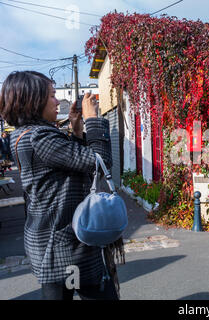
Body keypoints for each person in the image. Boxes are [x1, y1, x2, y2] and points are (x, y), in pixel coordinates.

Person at [0, 71, 124, 300]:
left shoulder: (24, 134)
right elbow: (100, 163)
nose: (58, 102)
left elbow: (70, 166)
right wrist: (93, 120)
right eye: (52, 95)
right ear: (33, 100)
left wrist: (77, 131)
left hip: (48, 243)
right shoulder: (40, 137)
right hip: (67, 251)